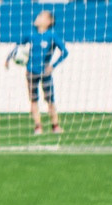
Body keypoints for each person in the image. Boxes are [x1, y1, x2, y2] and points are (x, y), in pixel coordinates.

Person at [10, 8, 69, 139]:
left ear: (49, 21)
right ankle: (38, 126)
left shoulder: (52, 35)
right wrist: (9, 58)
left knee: (50, 100)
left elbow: (65, 52)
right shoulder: (31, 34)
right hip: (31, 72)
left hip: (45, 73)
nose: (37, 17)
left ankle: (55, 125)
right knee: (33, 100)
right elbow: (18, 45)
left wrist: (53, 65)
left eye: (41, 16)